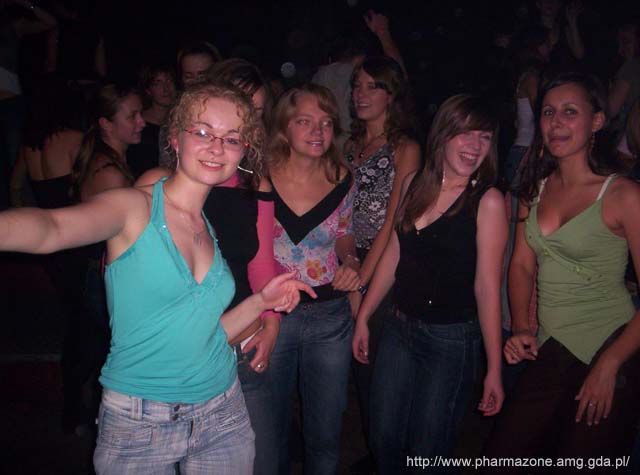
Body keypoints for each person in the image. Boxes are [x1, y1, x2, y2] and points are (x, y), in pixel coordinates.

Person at [0, 80, 313, 474]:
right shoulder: (135, 207)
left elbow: (205, 336)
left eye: (232, 138)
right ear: (176, 139)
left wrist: (261, 302)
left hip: (222, 410)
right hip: (141, 421)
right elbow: (51, 228)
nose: (217, 147)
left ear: (242, 152)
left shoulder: (207, 227)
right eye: (203, 132)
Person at [485, 73, 640, 473]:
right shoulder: (533, 188)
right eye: (549, 112)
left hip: (610, 343)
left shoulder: (623, 195)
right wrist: (521, 327)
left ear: (597, 121)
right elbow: (521, 265)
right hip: (551, 346)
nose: (556, 122)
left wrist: (610, 364)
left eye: (570, 112)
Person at [137, 59, 279, 475]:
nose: (246, 121)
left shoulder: (256, 184)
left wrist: (272, 324)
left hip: (240, 346)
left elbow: (261, 263)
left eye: (255, 113)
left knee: (260, 462)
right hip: (174, 356)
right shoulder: (157, 184)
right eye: (239, 106)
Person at [353, 94, 506, 473]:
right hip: (399, 327)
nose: (475, 145)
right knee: (383, 436)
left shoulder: (487, 201)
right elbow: (394, 254)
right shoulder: (413, 183)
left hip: (450, 340)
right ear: (443, 134)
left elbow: (488, 288)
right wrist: (365, 316)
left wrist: (494, 368)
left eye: (484, 137)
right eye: (466, 133)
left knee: (429, 450)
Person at [266, 83, 360, 474]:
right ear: (284, 126)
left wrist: (351, 260)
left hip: (329, 315)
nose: (318, 131)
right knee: (268, 429)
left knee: (325, 432)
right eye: (305, 121)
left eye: (325, 122)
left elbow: (344, 232)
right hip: (272, 314)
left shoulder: (342, 177)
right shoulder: (258, 177)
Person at [344, 55, 420, 471]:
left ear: (391, 94)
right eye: (357, 85)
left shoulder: (405, 148)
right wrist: (348, 268)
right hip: (347, 260)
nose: (361, 93)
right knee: (362, 372)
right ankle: (379, 455)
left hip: (385, 268)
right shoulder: (347, 145)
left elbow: (394, 223)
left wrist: (363, 280)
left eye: (372, 86)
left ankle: (393, 457)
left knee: (383, 376)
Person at [127, 63, 176, 179]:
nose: (165, 88)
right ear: (148, 90)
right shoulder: (137, 125)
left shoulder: (180, 121)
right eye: (157, 83)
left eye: (169, 81)